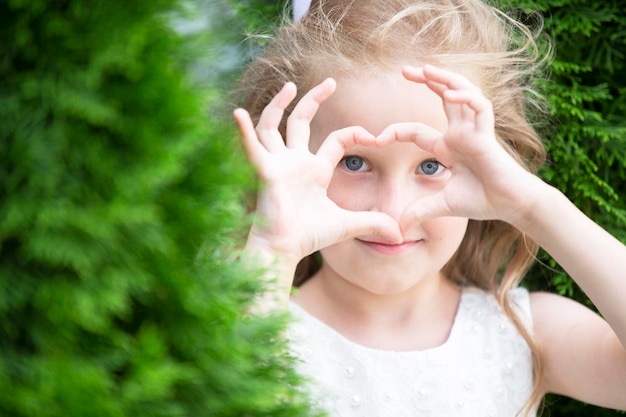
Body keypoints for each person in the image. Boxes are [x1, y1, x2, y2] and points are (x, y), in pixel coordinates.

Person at [232, 0, 626, 415]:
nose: (394, 212)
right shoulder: (261, 327)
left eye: (431, 165)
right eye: (354, 162)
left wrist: (531, 205)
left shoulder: (526, 332)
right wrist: (274, 251)